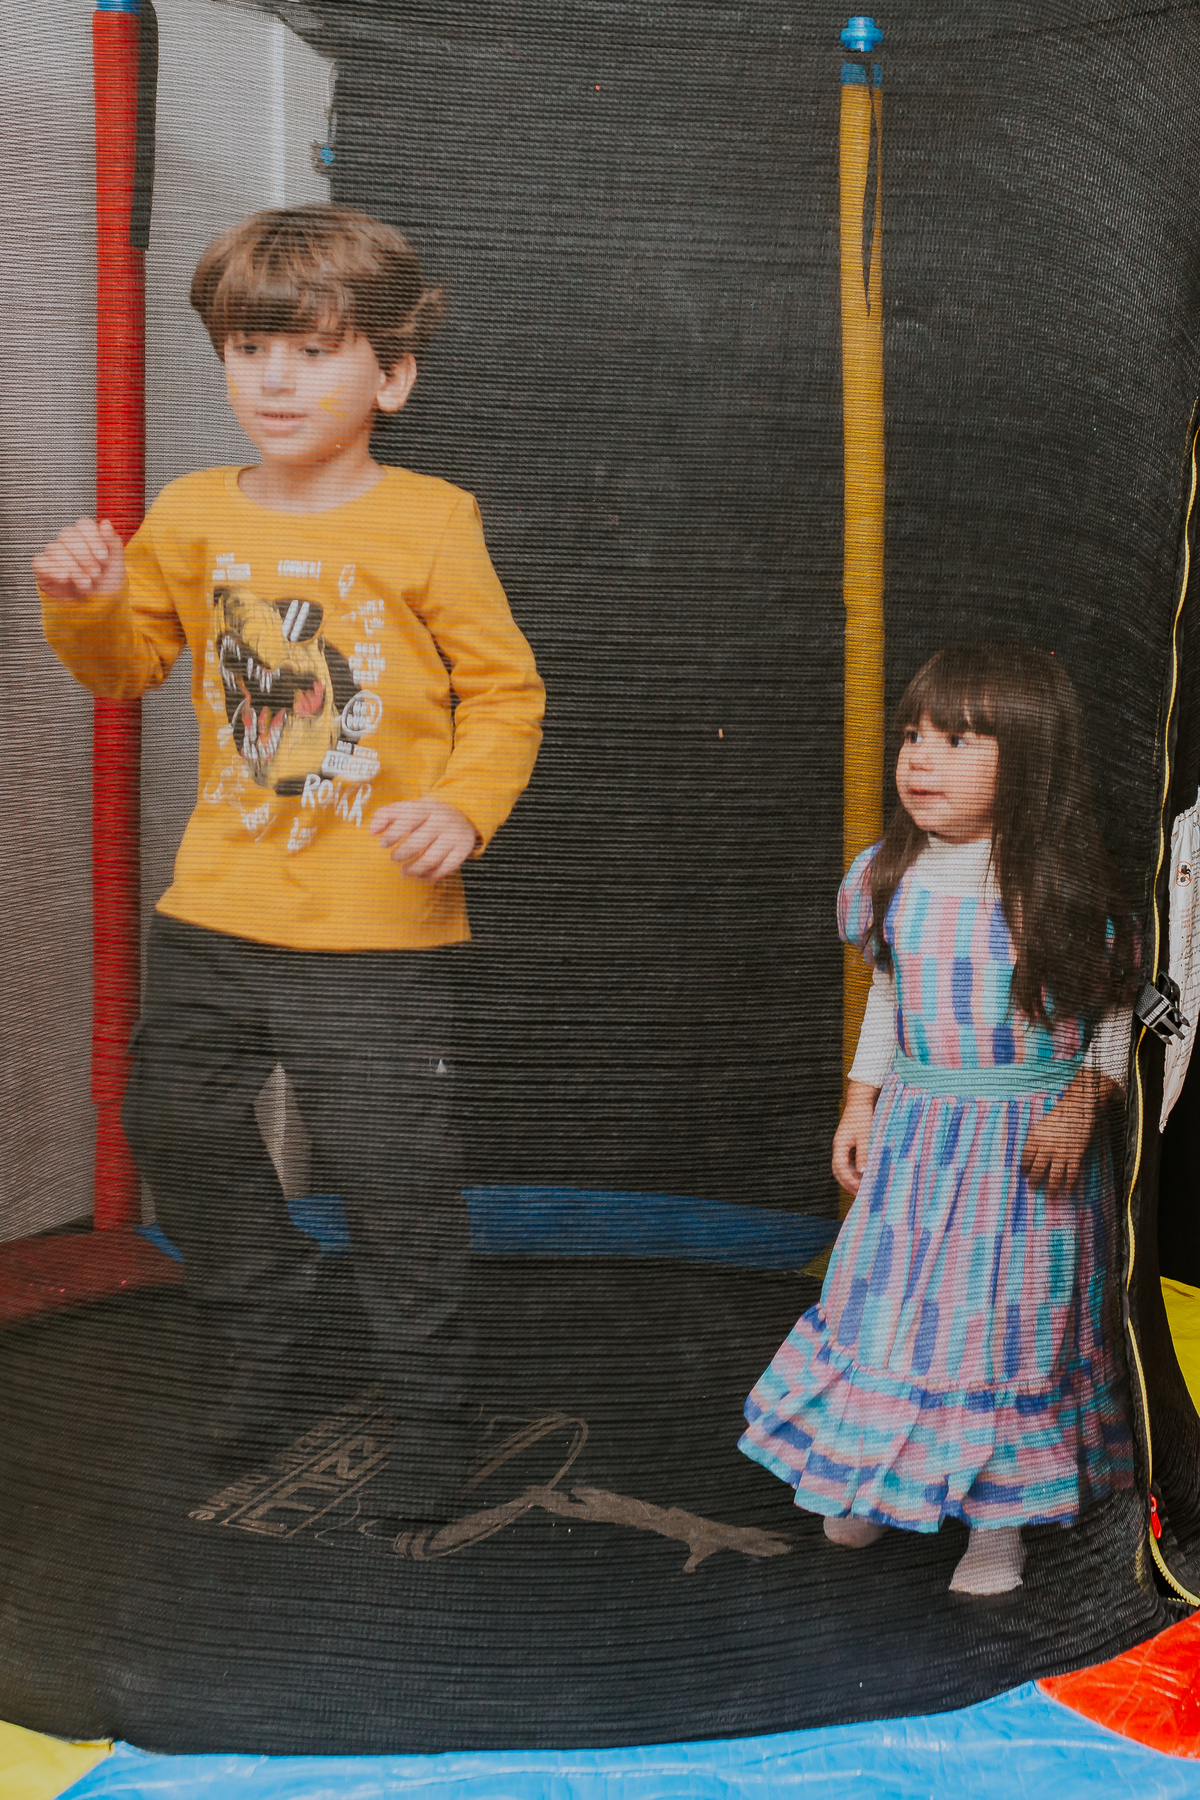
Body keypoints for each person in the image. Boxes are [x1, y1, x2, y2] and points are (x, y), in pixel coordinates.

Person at [33, 204, 545, 1524]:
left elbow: (506, 698)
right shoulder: (196, 513)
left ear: (391, 375)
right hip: (218, 905)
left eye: (313, 351)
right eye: (249, 348)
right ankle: (277, 1322)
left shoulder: (432, 520)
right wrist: (82, 598)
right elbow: (124, 665)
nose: (272, 378)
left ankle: (435, 1407)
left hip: (375, 924)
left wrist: (464, 812)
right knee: (176, 1123)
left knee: (394, 1184)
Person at [739, 645, 1135, 1595]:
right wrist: (860, 1100)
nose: (920, 759)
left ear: (1030, 762)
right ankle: (873, 1480)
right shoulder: (888, 877)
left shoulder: (1061, 895)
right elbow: (890, 997)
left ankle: (997, 1529)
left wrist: (1080, 1107)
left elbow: (1115, 1013)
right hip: (920, 1140)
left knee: (1005, 1327)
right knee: (892, 1310)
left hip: (1021, 1151)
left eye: (959, 742)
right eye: (915, 736)